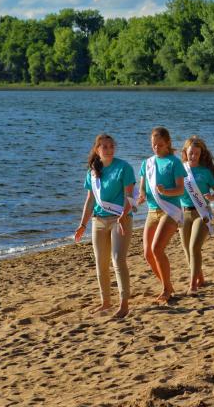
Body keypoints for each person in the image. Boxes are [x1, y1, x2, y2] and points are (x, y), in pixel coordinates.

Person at [75, 134, 136, 318]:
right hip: (99, 221)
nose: (108, 149)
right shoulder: (93, 171)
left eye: (111, 146)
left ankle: (124, 304)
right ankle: (105, 302)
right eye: (104, 146)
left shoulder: (124, 167)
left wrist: (123, 216)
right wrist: (82, 224)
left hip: (120, 219)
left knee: (118, 260)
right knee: (100, 263)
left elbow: (130, 197)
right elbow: (90, 199)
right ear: (97, 149)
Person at [137, 127, 185, 302]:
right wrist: (141, 195)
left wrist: (166, 191)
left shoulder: (174, 162)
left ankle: (166, 289)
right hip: (152, 210)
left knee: (157, 249)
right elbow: (142, 187)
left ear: (168, 143)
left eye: (160, 144)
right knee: (147, 254)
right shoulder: (147, 163)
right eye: (153, 145)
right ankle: (168, 285)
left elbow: (180, 189)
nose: (156, 148)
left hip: (170, 210)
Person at [179, 136, 214, 294]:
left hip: (202, 213)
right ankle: (200, 278)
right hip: (184, 213)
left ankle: (193, 285)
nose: (193, 156)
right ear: (185, 152)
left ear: (201, 154)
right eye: (191, 153)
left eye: (196, 153)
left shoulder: (205, 172)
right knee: (186, 249)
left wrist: (213, 197)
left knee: (194, 247)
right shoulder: (180, 169)